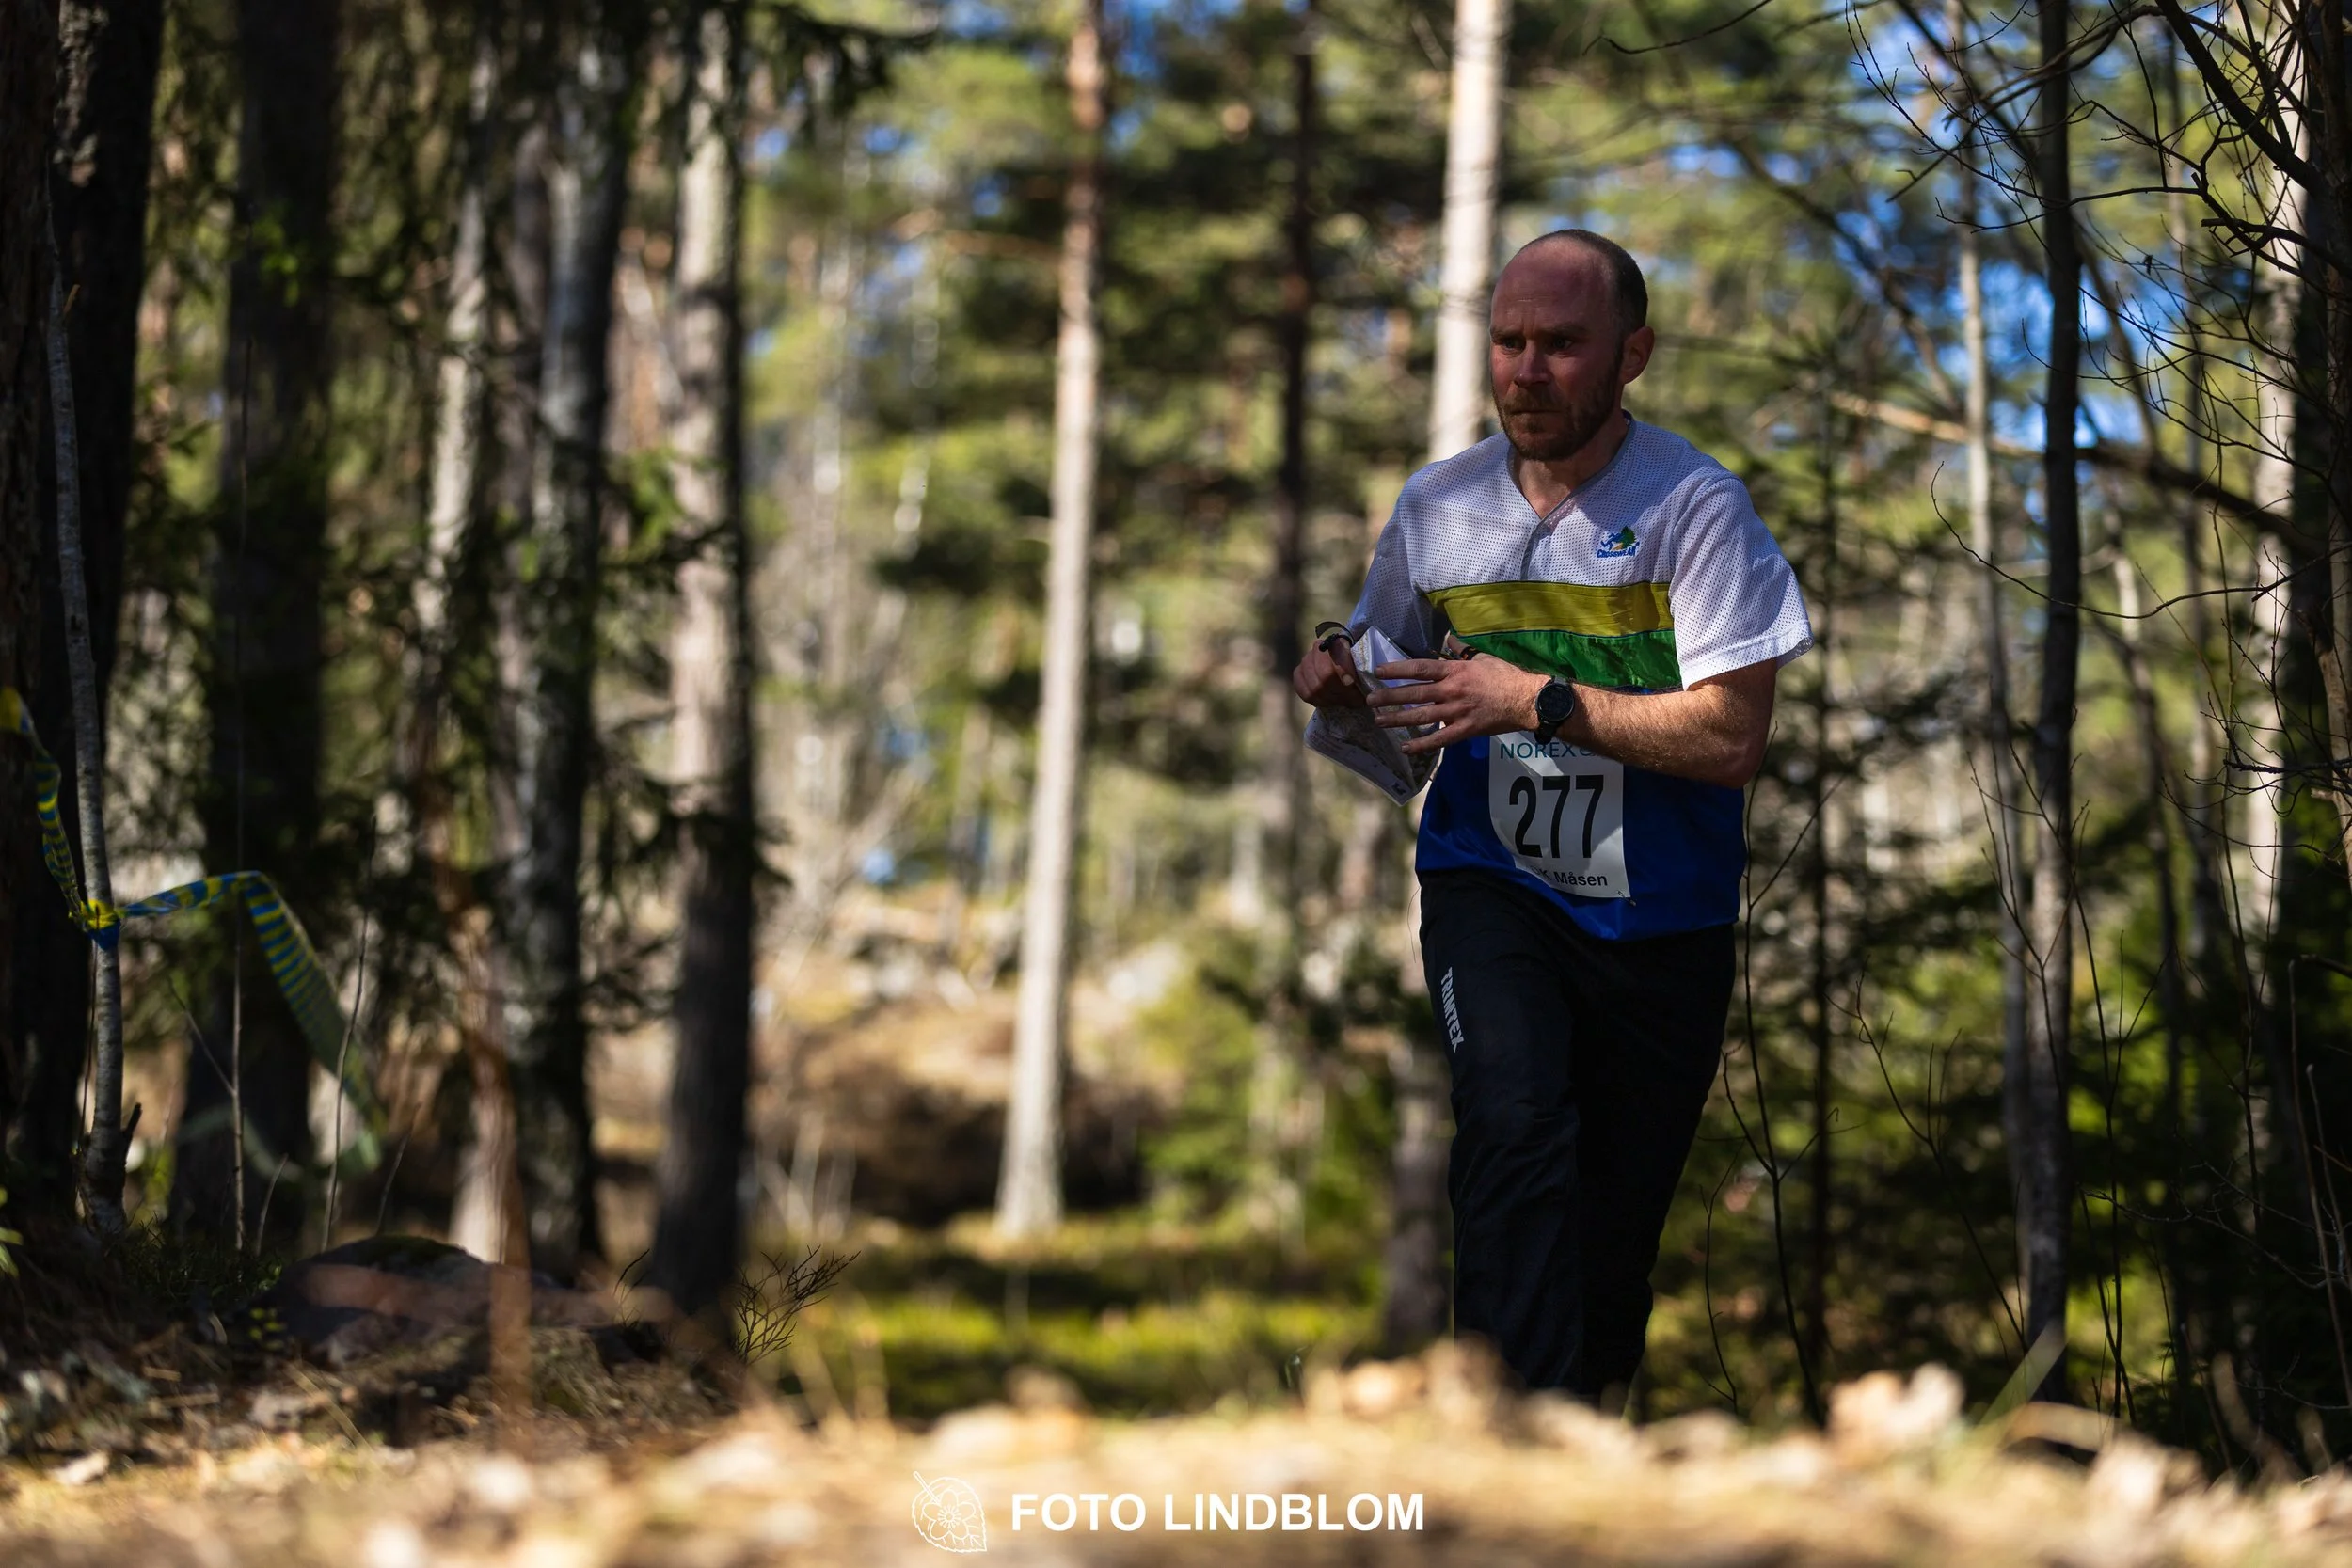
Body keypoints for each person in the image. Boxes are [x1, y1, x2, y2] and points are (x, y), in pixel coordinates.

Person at [1292, 229, 1811, 1403]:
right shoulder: (1438, 507)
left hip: (1659, 923)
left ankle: (1580, 1450)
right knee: (1514, 1123)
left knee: (1609, 1232)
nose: (1525, 370)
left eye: (1560, 345)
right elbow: (1389, 695)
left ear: (1632, 354)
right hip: (1495, 885)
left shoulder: (1695, 509)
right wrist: (1336, 676)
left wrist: (1537, 699)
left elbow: (1731, 737)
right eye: (1509, 341)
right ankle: (1497, 1438)